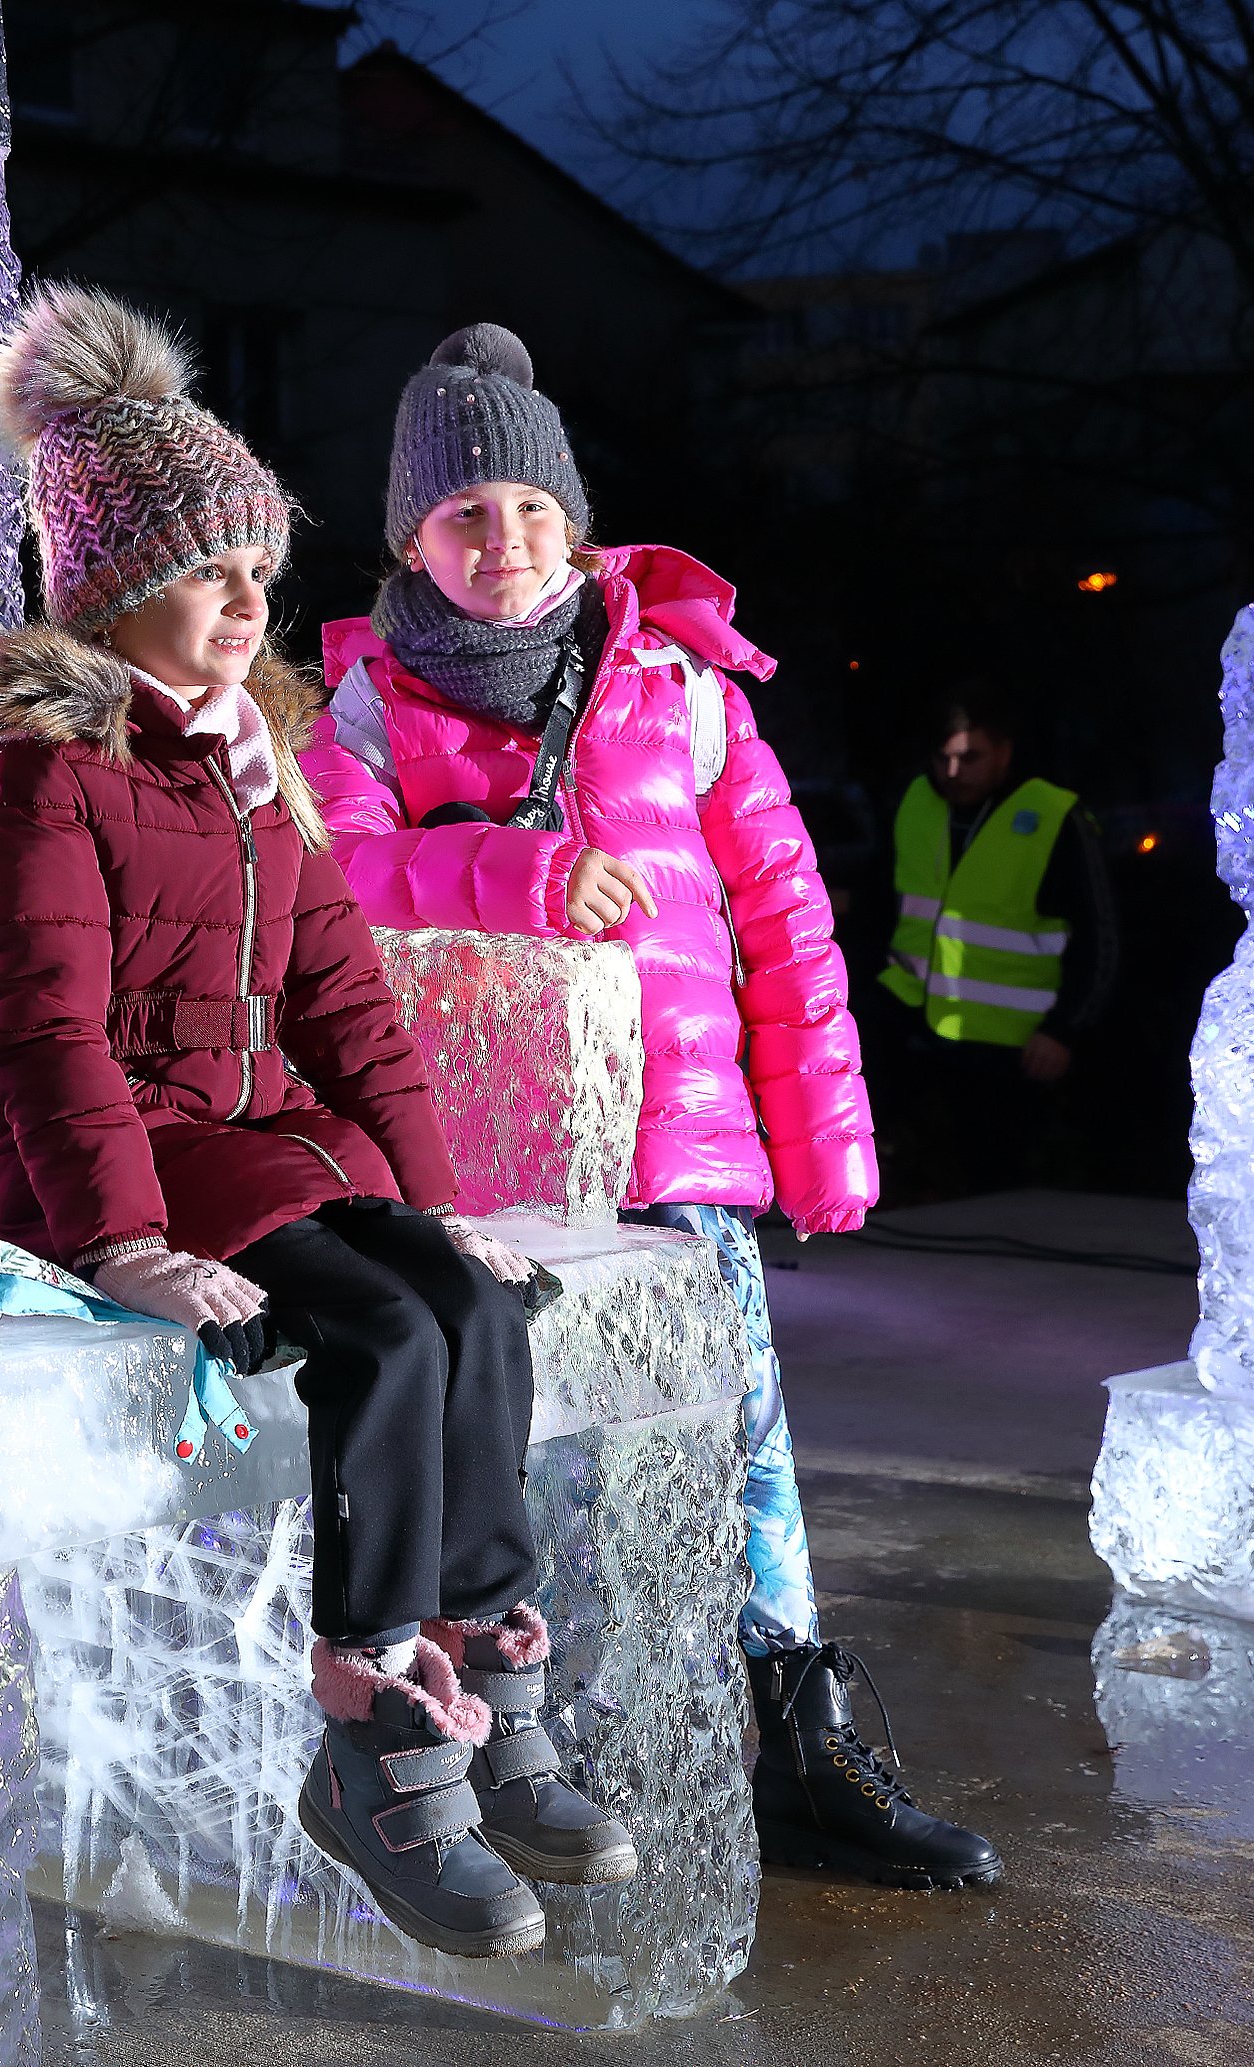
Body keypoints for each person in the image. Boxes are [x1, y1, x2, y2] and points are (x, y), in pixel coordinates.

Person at [0, 284, 638, 1961]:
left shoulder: (250, 764)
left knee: (466, 1299)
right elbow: (45, 1028)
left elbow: (346, 1005)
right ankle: (374, 1730)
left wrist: (442, 1196)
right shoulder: (43, 773)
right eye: (203, 573)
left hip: (258, 1141)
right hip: (120, 1163)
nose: (246, 606)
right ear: (111, 591)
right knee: (382, 1330)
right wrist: (118, 1240)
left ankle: (491, 1671)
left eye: (257, 571)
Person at [303, 322, 1002, 1891]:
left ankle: (797, 1747)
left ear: (578, 519)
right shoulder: (363, 705)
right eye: (465, 513)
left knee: (739, 1449)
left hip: (683, 1149)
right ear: (408, 536)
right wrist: (517, 864)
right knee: (524, 1467)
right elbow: (333, 875)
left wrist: (824, 1139)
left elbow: (785, 913)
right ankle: (541, 1752)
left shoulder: (679, 685)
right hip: (491, 1167)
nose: (502, 542)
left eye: (530, 509)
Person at [871, 683, 1116, 1194]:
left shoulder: (1055, 815)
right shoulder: (917, 800)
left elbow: (1100, 938)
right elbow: (889, 897)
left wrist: (1066, 1029)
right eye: (942, 759)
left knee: (998, 1187)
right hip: (912, 1025)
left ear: (1004, 751)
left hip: (1011, 1046)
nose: (952, 773)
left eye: (970, 757)